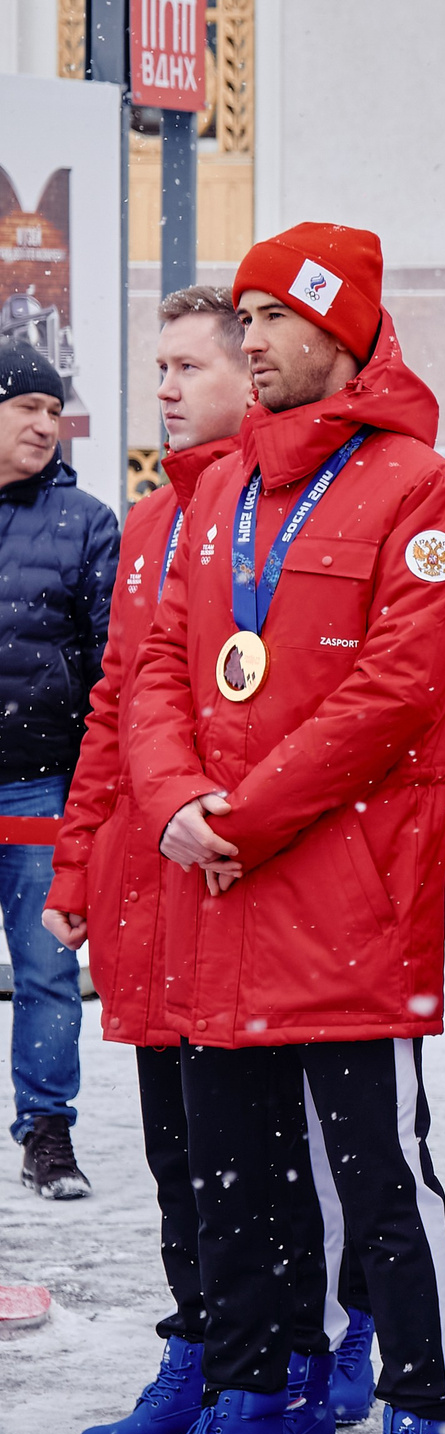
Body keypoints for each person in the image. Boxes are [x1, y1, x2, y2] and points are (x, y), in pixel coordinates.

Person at [115, 222, 445, 1434]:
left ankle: (420, 1433)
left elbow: (395, 695)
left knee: (383, 1185)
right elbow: (161, 664)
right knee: (238, 1179)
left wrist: (243, 815)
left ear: (344, 334)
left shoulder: (423, 492)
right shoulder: (219, 491)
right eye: (249, 316)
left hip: (344, 897)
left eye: (277, 319)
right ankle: (247, 1417)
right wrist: (175, 800)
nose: (252, 340)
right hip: (220, 887)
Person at [48, 286, 252, 1434]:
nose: (164, 388)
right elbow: (115, 706)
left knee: (254, 1156)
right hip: (142, 878)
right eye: (159, 367)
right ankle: (197, 1344)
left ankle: (276, 1363)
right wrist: (77, 866)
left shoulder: (274, 513)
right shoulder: (150, 522)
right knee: (177, 1147)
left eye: (188, 366)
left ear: (252, 372)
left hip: (229, 871)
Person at [0, 339, 115, 1200]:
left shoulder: (87, 523)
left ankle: (47, 1131)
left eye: (54, 410)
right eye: (27, 408)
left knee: (47, 969)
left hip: (38, 783)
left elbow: (114, 663)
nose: (46, 424)